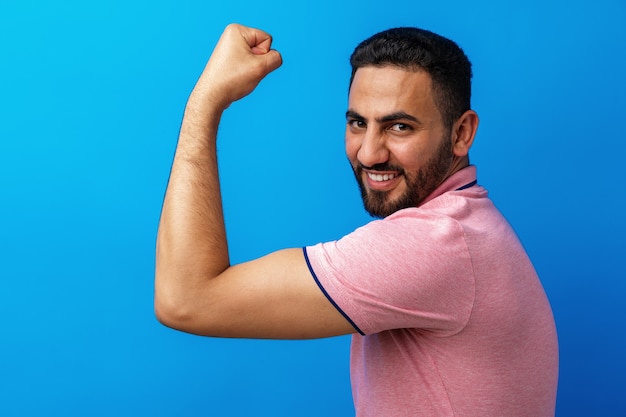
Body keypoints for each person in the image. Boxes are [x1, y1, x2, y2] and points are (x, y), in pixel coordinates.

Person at [155, 23, 559, 416]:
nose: (368, 154)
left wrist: (205, 102)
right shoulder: (471, 228)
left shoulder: (435, 244)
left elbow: (186, 300)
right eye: (357, 123)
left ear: (461, 133)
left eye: (399, 127)